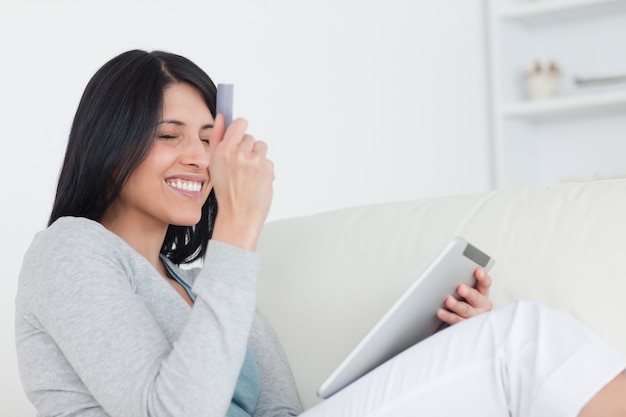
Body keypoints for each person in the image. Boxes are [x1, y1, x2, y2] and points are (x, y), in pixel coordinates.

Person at [14, 49, 626, 417]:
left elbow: (284, 411)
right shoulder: (71, 248)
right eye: (169, 135)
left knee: (500, 354)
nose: (198, 159)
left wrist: (440, 357)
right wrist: (239, 227)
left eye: (208, 139)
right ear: (111, 142)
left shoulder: (206, 284)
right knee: (526, 341)